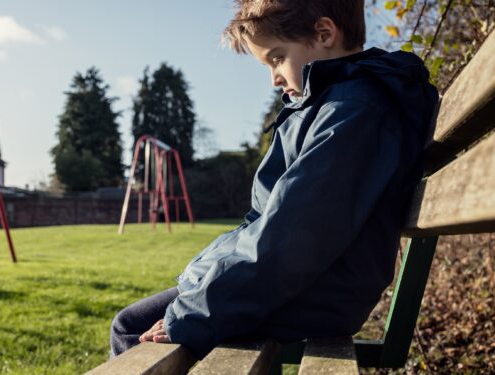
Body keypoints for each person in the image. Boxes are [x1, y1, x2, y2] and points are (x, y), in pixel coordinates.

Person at [110, 0, 439, 358]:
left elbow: (294, 235)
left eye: (278, 58)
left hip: (316, 292)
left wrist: (192, 315)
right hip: (300, 284)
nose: (274, 78)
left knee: (132, 330)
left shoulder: (354, 111)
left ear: (325, 34)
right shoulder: (325, 106)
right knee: (139, 321)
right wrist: (205, 276)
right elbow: (271, 224)